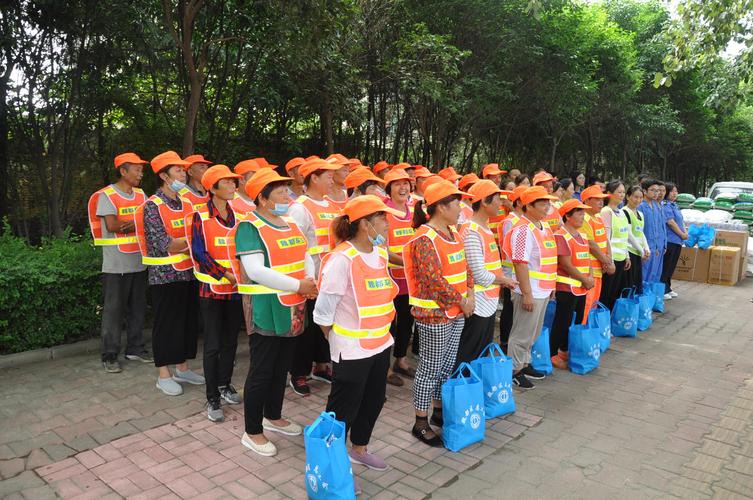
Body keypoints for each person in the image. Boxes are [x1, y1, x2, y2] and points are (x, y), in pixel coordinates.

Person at [314, 195, 402, 476]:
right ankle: (330, 466)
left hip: (380, 343)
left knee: (374, 400)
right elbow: (323, 312)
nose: (388, 224)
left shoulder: (380, 253)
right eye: (382, 219)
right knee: (342, 410)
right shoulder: (341, 259)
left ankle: (359, 450)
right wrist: (336, 340)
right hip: (351, 348)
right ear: (365, 224)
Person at [234, 168, 317, 457]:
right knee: (262, 369)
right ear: (263, 198)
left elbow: (305, 252)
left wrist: (309, 281)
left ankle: (274, 415)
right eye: (280, 191)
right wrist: (300, 284)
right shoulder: (249, 227)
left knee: (282, 365)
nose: (287, 195)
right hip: (266, 309)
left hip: (294, 305)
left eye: (286, 189)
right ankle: (252, 430)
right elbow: (256, 270)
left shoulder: (290, 221)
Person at [403, 181, 474, 446]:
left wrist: (471, 294)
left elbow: (464, 266)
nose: (461, 208)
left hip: (456, 310)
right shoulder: (424, 238)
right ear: (441, 207)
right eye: (456, 203)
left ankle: (439, 411)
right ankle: (420, 422)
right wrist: (463, 301)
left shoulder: (454, 233)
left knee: (446, 367)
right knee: (429, 369)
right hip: (434, 314)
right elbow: (434, 281)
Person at [135, 151, 204, 396]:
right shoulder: (152, 206)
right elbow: (163, 242)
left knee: (187, 323)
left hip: (188, 273)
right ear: (164, 176)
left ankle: (183, 367)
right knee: (166, 325)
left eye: (184, 170)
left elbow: (199, 234)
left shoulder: (187, 203)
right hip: (164, 275)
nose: (183, 174)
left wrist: (188, 242)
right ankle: (163, 374)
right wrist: (191, 243)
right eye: (178, 171)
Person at [186, 165, 245, 422]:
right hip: (211, 288)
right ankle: (212, 396)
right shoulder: (200, 215)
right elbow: (199, 252)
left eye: (234, 182)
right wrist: (224, 274)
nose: (234, 186)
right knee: (212, 344)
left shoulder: (239, 216)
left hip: (235, 289)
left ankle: (225, 384)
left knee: (231, 340)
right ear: (213, 188)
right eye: (228, 182)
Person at [87, 152, 151, 373]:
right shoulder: (107, 195)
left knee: (138, 309)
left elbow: (148, 220)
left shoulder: (142, 195)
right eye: (136, 169)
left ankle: (135, 348)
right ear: (123, 171)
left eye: (141, 170)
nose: (140, 174)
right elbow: (113, 226)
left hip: (139, 261)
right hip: (116, 265)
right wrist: (140, 224)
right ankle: (110, 354)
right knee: (113, 311)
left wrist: (133, 224)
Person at [288, 158, 343, 395]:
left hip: (330, 276)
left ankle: (322, 366)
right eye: (328, 176)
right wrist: (306, 280)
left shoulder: (332, 206)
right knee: (306, 329)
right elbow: (295, 246)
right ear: (314, 178)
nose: (333, 180)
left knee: (325, 322)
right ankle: (298, 373)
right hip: (309, 278)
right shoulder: (300, 208)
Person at [502, 186, 559, 390]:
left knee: (533, 332)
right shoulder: (522, 230)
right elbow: (520, 263)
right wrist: (526, 294)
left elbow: (549, 259)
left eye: (548, 202)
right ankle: (514, 371)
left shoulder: (544, 227)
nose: (547, 207)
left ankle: (524, 364)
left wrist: (551, 286)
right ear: (528, 206)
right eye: (542, 203)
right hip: (530, 291)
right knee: (521, 333)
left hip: (542, 289)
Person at [456, 181, 517, 365]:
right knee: (469, 354)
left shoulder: (484, 228)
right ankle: (462, 389)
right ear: (484, 201)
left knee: (480, 353)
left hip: (488, 301)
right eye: (498, 198)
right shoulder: (472, 231)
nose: (501, 203)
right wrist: (505, 280)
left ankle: (472, 388)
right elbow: (479, 274)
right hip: (478, 303)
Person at [550, 199, 594, 370]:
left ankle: (564, 350)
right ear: (567, 216)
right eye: (579, 213)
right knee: (562, 321)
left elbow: (587, 258)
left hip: (582, 288)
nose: (583, 216)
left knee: (574, 320)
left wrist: (589, 276)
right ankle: (553, 353)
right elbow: (566, 264)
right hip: (566, 288)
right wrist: (585, 279)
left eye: (584, 212)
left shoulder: (582, 235)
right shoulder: (560, 235)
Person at [383, 169, 418, 386]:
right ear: (389, 189)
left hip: (410, 280)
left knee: (407, 320)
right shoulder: (383, 213)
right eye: (397, 184)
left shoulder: (415, 211)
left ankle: (401, 360)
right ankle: (385, 368)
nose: (403, 188)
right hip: (389, 279)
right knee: (389, 324)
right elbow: (383, 250)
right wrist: (409, 263)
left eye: (406, 183)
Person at [498, 186, 527, 353]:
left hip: (521, 272)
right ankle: (504, 340)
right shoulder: (510, 221)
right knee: (509, 309)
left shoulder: (525, 220)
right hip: (511, 273)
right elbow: (511, 251)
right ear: (519, 202)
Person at [580, 186, 614, 321]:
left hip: (600, 269)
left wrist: (609, 259)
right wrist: (606, 261)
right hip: (590, 271)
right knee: (587, 304)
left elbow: (605, 240)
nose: (601, 203)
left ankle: (590, 333)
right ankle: (582, 333)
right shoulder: (584, 218)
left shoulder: (598, 217)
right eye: (597, 200)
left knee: (594, 303)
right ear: (587, 201)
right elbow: (591, 245)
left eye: (602, 200)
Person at [599, 181, 631, 310]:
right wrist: (609, 260)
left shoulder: (621, 212)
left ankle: (609, 321)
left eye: (623, 192)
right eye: (619, 192)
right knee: (606, 293)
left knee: (615, 293)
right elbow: (606, 237)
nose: (622, 195)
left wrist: (627, 256)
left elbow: (625, 236)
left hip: (622, 258)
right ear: (609, 194)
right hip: (611, 260)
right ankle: (602, 322)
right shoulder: (606, 212)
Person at [661, 182, 687, 299]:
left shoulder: (674, 205)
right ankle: (663, 289)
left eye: (676, 191)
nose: (675, 193)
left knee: (672, 265)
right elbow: (670, 222)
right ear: (666, 192)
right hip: (670, 240)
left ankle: (668, 286)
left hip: (678, 240)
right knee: (666, 265)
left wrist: (685, 232)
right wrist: (682, 234)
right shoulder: (665, 205)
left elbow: (680, 221)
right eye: (672, 191)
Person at [623, 186, 650, 293]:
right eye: (635, 197)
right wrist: (641, 250)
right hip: (630, 252)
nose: (638, 200)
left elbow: (641, 233)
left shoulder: (640, 214)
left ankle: (635, 307)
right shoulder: (624, 212)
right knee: (628, 283)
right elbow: (629, 235)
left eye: (640, 197)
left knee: (637, 283)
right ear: (628, 197)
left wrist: (647, 249)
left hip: (638, 253)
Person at [640, 179, 667, 284]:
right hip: (646, 247)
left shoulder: (656, 206)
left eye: (657, 191)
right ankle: (642, 298)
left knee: (655, 275)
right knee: (644, 275)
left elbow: (660, 227)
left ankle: (651, 298)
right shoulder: (641, 206)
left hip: (657, 247)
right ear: (645, 191)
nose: (657, 193)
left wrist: (662, 244)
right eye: (653, 190)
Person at [483, 164, 510, 239]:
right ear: (486, 178)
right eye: (494, 177)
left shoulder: (504, 195)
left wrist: (510, 205)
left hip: (503, 239)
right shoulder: (481, 196)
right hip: (488, 238)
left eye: (499, 177)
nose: (498, 180)